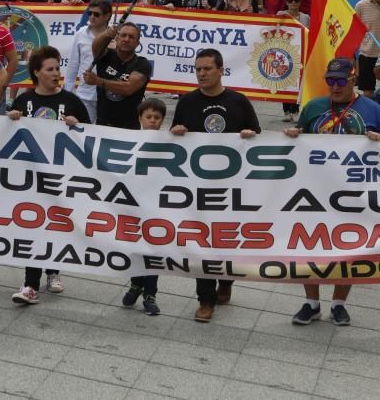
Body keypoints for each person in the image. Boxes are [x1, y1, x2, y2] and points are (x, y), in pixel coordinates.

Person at [285, 57, 380, 326]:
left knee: (350, 248)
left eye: (341, 80)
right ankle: (312, 303)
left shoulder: (373, 110)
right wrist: (292, 135)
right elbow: (299, 139)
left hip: (354, 193)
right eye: (330, 80)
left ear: (353, 80)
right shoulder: (313, 107)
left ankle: (339, 303)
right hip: (314, 192)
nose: (335, 86)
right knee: (310, 246)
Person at [171, 49, 260, 323]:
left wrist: (249, 135)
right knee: (202, 241)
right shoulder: (186, 102)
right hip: (199, 188)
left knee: (227, 239)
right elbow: (174, 139)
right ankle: (205, 299)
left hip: (232, 188)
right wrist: (176, 133)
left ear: (221, 70)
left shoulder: (238, 101)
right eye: (198, 69)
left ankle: (226, 279)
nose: (201, 73)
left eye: (207, 69)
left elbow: (257, 136)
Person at [9, 46, 90, 305]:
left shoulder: (71, 100)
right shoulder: (24, 100)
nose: (56, 73)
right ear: (36, 72)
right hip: (31, 177)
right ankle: (30, 284)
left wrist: (77, 125)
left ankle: (53, 269)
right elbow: (8, 137)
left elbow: (91, 136)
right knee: (33, 225)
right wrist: (11, 119)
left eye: (58, 68)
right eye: (50, 69)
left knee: (55, 223)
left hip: (60, 177)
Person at [118, 97, 168, 316]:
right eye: (148, 117)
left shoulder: (169, 143)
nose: (153, 121)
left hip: (158, 207)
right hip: (135, 205)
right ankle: (136, 284)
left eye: (157, 118)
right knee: (137, 249)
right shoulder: (129, 140)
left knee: (155, 250)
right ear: (140, 118)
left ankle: (150, 293)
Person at [84, 22, 151, 129]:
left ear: (137, 43)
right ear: (116, 38)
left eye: (131, 37)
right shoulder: (106, 55)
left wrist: (97, 81)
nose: (126, 39)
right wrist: (106, 34)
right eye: (123, 35)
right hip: (102, 124)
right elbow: (95, 46)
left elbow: (128, 88)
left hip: (129, 127)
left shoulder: (142, 64)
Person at [64, 0, 111, 122]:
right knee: (82, 130)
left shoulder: (114, 36)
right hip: (84, 93)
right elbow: (73, 64)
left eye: (96, 14)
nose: (91, 17)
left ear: (107, 16)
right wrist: (68, 92)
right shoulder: (80, 33)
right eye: (89, 13)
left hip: (107, 96)